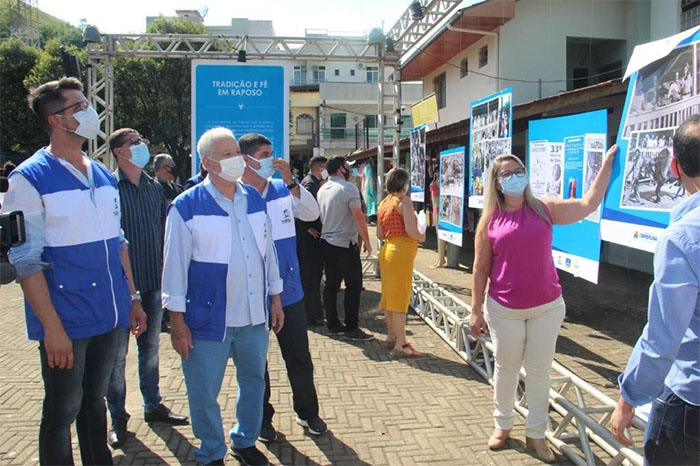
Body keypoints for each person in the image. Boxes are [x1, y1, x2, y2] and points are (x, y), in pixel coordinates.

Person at [0, 77, 147, 465]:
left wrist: (132, 298)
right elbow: (26, 260)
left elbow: (118, 241)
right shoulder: (28, 178)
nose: (90, 113)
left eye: (88, 104)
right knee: (63, 409)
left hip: (109, 311)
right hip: (66, 318)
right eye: (79, 107)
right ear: (54, 119)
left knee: (94, 402)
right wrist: (51, 328)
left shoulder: (100, 173)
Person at [468, 147, 617, 462]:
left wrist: (605, 165)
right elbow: (480, 269)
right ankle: (502, 425)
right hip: (504, 309)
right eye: (506, 174)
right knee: (507, 369)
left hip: (547, 307)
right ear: (496, 183)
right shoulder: (490, 221)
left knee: (539, 373)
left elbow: (588, 203)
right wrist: (475, 309)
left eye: (517, 171)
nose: (513, 177)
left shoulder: (543, 209)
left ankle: (536, 433)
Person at [162, 127, 284, 466]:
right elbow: (173, 267)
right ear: (207, 162)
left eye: (236, 152)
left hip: (253, 315)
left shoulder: (255, 198)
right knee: (203, 392)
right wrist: (177, 322)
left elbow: (267, 251)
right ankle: (211, 451)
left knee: (254, 381)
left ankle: (245, 440)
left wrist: (275, 297)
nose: (236, 160)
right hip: (206, 320)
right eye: (227, 155)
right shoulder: (186, 206)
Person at [611, 115, 700, 465]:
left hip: (689, 406)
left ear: (675, 168)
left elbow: (664, 336)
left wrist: (629, 397)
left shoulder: (684, 237)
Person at [239, 133, 327, 443]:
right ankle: (262, 419)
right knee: (254, 365)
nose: (273, 159)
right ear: (247, 159)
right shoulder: (236, 194)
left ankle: (307, 412)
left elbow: (312, 213)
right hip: (253, 294)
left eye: (273, 153)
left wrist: (291, 181)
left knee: (299, 358)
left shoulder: (282, 190)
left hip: (289, 292)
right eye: (265, 154)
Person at [106, 128, 188, 449]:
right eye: (134, 143)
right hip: (121, 287)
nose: (141, 147)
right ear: (118, 152)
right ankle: (117, 416)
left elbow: (162, 231)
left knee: (151, 350)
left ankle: (152, 405)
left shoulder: (156, 189)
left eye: (141, 142)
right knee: (116, 357)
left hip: (153, 285)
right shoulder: (109, 188)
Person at [317, 156, 374, 341]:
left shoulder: (323, 189)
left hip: (326, 243)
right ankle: (351, 328)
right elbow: (358, 217)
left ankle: (332, 324)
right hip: (344, 244)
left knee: (331, 286)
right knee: (353, 286)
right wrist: (366, 240)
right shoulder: (349, 188)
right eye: (347, 167)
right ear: (342, 169)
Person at [376, 168, 425, 357]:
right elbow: (411, 231)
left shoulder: (384, 203)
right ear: (403, 183)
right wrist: (421, 236)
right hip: (401, 252)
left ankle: (391, 336)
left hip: (387, 250)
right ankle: (402, 343)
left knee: (389, 295)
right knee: (400, 296)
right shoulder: (404, 202)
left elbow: (380, 234)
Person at [296, 155, 327, 326]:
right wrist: (307, 227)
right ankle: (310, 315)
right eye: (325, 168)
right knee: (310, 277)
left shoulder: (312, 182)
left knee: (312, 277)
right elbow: (299, 208)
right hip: (308, 240)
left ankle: (311, 312)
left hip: (309, 238)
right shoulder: (310, 184)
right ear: (319, 168)